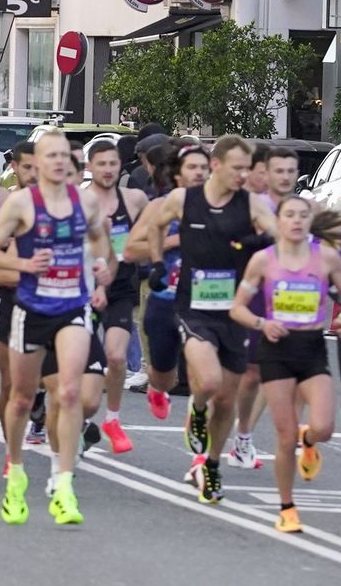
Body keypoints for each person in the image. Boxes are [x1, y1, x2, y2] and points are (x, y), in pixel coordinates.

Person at [0, 129, 113, 526]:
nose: (58, 162)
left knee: (69, 392)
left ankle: (63, 482)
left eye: (63, 156)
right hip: (30, 308)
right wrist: (23, 266)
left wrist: (101, 265)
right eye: (50, 156)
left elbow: (101, 242)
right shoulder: (21, 204)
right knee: (21, 398)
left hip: (72, 306)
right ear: (35, 164)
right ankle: (16, 470)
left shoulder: (85, 202)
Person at [144, 134, 276, 505]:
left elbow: (279, 233)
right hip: (194, 306)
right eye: (237, 168)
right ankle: (196, 409)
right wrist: (156, 262)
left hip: (235, 310)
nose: (243, 175)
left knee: (228, 400)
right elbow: (155, 225)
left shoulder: (250, 205)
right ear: (216, 165)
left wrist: (266, 243)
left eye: (247, 169)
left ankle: (212, 464)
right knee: (211, 381)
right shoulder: (184, 199)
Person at [230, 196, 341, 532]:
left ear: (310, 221)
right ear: (278, 222)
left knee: (323, 427)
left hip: (311, 349)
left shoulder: (326, 257)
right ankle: (287, 507)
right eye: (289, 215)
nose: (296, 221)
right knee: (284, 434)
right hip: (275, 349)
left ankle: (309, 442)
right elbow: (238, 308)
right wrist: (262, 324)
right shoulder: (263, 261)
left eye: (302, 216)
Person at [231, 144, 303, 468]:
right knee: (251, 373)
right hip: (255, 291)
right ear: (266, 173)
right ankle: (242, 434)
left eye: (291, 171)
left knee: (299, 371)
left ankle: (292, 440)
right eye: (279, 171)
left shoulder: (306, 207)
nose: (286, 177)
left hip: (297, 295)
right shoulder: (252, 205)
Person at [128, 142, 209, 420]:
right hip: (166, 299)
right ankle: (158, 388)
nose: (199, 173)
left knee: (209, 374)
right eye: (192, 167)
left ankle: (199, 417)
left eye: (204, 168)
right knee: (163, 375)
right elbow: (131, 249)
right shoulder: (160, 206)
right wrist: (177, 240)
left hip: (205, 300)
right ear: (177, 173)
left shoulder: (224, 207)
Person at [84, 138, 150, 454]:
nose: (108, 170)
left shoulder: (135, 199)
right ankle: (78, 420)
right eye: (102, 164)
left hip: (123, 286)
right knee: (83, 368)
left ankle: (112, 418)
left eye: (113, 163)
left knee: (116, 356)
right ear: (89, 167)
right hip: (83, 289)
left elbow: (156, 229)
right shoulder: (80, 202)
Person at [0, 142, 37, 440]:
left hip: (57, 304)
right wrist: (28, 270)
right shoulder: (8, 208)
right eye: (27, 167)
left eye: (40, 167)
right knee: (11, 385)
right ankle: (12, 446)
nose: (35, 174)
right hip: (14, 302)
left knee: (60, 383)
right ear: (15, 168)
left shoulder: (67, 205)